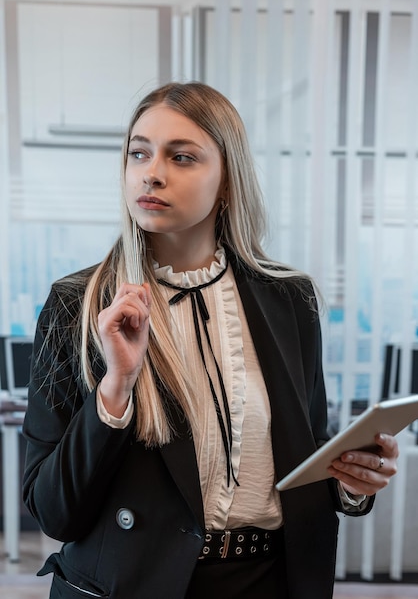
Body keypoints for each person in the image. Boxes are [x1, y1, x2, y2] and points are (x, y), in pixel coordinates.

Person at [22, 81, 399, 599]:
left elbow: (302, 456)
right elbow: (52, 512)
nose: (151, 172)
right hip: (137, 587)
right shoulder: (79, 305)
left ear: (227, 181)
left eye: (182, 157)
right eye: (139, 152)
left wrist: (350, 485)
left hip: (271, 581)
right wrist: (116, 388)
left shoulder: (291, 300)